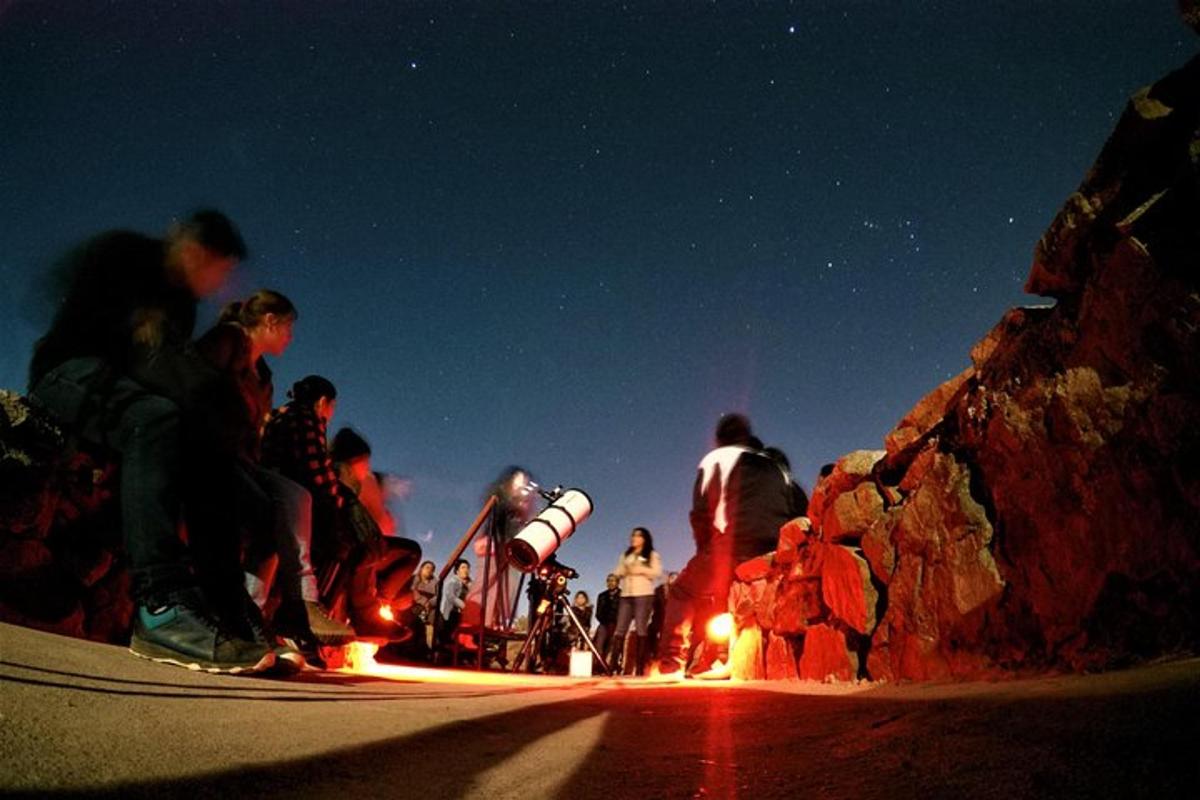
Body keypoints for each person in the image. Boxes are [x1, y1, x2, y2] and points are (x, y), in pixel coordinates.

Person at [27, 209, 274, 673]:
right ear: (194, 249)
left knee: (208, 455)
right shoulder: (126, 253)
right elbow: (64, 298)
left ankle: (225, 605)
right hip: (67, 372)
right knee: (155, 420)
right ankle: (159, 605)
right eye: (219, 270)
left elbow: (162, 368)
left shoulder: (180, 305)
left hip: (124, 385)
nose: (219, 285)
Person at [195, 291, 354, 663]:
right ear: (269, 321)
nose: (291, 336)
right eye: (288, 327)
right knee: (302, 513)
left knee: (292, 499)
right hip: (214, 451)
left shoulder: (263, 376)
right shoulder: (228, 346)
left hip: (248, 463)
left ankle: (292, 605)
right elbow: (314, 466)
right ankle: (283, 610)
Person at [652, 413, 794, 679]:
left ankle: (672, 664)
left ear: (720, 439)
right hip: (775, 547)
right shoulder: (775, 467)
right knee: (727, 595)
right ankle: (725, 658)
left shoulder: (716, 460)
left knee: (683, 592)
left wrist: (705, 551)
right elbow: (794, 505)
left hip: (735, 543)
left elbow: (701, 514)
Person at [329, 426, 422, 640]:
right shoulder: (355, 482)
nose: (367, 467)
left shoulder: (335, 476)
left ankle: (375, 604)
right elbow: (377, 524)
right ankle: (372, 609)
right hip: (347, 544)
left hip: (343, 541)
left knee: (374, 549)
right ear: (355, 461)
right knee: (409, 552)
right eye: (365, 462)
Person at [612, 527, 663, 675]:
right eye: (633, 535)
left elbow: (656, 572)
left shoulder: (651, 555)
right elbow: (617, 571)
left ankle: (640, 668)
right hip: (626, 595)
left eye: (638, 536)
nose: (634, 538)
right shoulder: (626, 555)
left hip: (643, 594)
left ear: (645, 539)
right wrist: (623, 571)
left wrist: (640, 569)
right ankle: (612, 666)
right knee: (620, 629)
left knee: (641, 628)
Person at [438, 559, 473, 653]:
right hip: (450, 613)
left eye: (468, 568)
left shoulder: (471, 584)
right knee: (448, 637)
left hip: (464, 613)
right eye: (463, 567)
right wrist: (464, 606)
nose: (466, 570)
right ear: (457, 570)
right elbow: (451, 596)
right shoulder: (452, 582)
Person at [646, 571, 678, 660]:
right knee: (651, 632)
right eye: (672, 578)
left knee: (668, 638)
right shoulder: (659, 590)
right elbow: (654, 603)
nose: (674, 580)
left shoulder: (680, 591)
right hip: (659, 617)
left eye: (676, 578)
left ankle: (664, 657)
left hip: (673, 619)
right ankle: (653, 655)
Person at [592, 573, 620, 666]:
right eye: (609, 581)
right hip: (604, 623)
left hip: (617, 624)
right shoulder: (602, 596)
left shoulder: (623, 595)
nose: (611, 583)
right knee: (599, 641)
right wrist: (604, 621)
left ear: (617, 582)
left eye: (613, 580)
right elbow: (598, 612)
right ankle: (598, 664)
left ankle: (612, 665)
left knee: (613, 644)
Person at [410, 560, 438, 650]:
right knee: (416, 616)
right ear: (421, 568)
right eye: (427, 567)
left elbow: (438, 596)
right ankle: (413, 644)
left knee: (437, 618)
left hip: (431, 606)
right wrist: (424, 602)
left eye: (432, 569)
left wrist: (430, 603)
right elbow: (412, 591)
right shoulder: (414, 579)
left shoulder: (436, 583)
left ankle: (430, 646)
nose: (430, 570)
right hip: (414, 604)